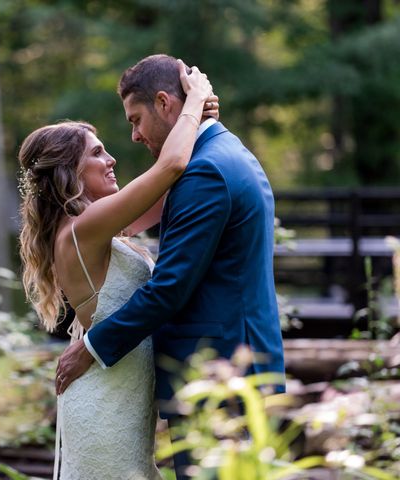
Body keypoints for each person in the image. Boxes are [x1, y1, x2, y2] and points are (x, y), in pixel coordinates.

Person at [55, 54, 286, 480]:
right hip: (229, 367)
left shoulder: (204, 172)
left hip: (219, 373)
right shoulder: (222, 155)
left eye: (136, 119)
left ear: (164, 104)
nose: (136, 135)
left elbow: (170, 288)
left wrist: (91, 347)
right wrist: (196, 106)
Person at [18, 61, 216, 479]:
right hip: (105, 409)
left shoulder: (97, 226)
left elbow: (171, 189)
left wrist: (200, 119)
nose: (110, 159)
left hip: (122, 403)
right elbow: (171, 167)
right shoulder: (81, 231)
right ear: (69, 172)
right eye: (96, 153)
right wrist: (194, 100)